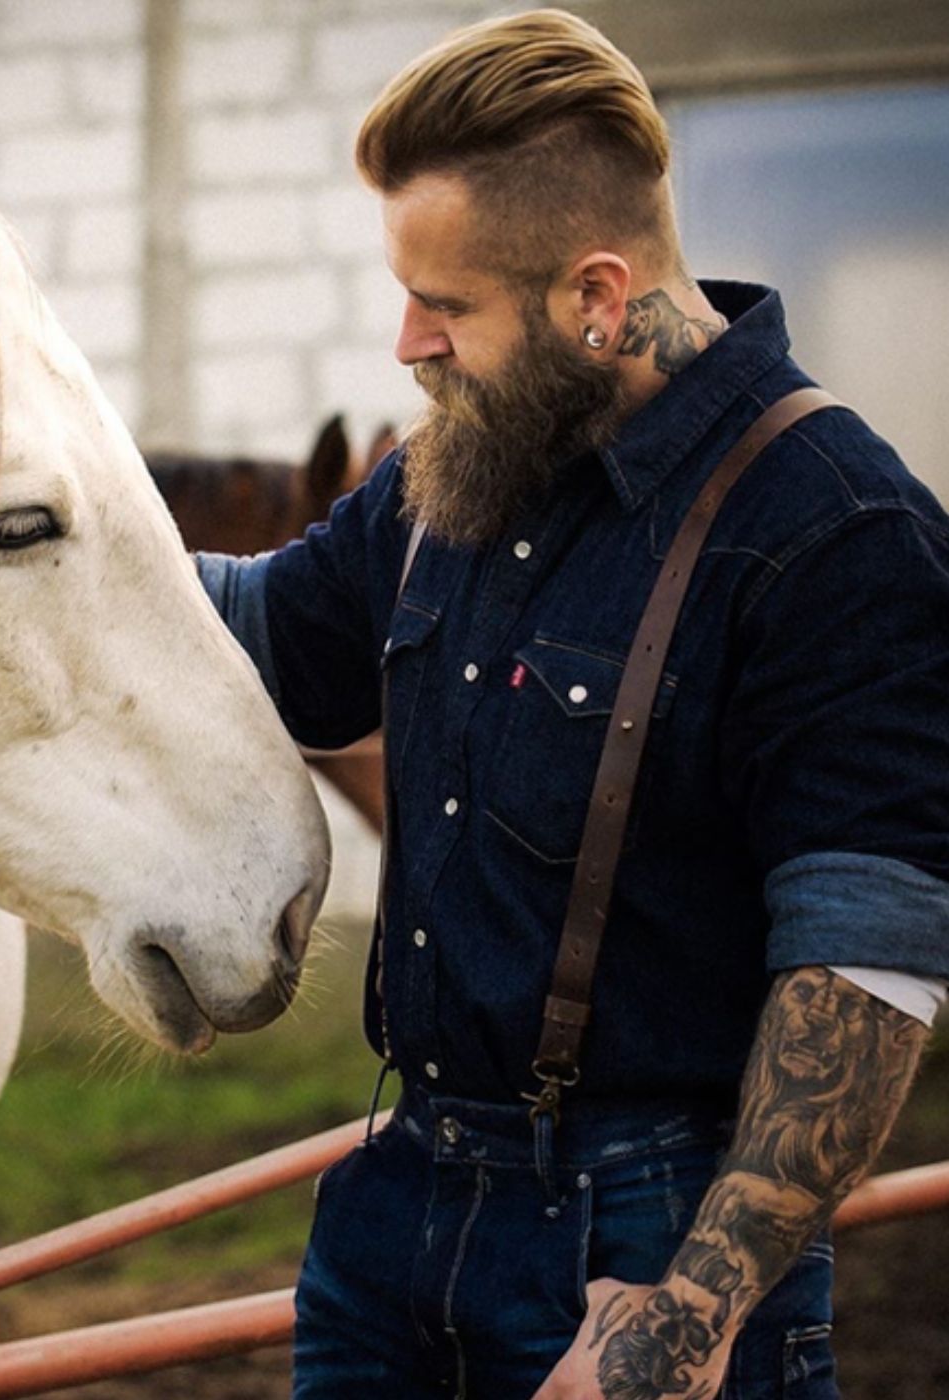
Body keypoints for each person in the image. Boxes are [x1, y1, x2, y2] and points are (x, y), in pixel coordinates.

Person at [196, 10, 949, 1399]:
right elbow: (239, 632)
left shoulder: (839, 531)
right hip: (392, 1211)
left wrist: (689, 1314)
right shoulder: (455, 470)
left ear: (598, 297)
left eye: (449, 304)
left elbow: (861, 976)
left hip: (641, 1245)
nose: (407, 343)